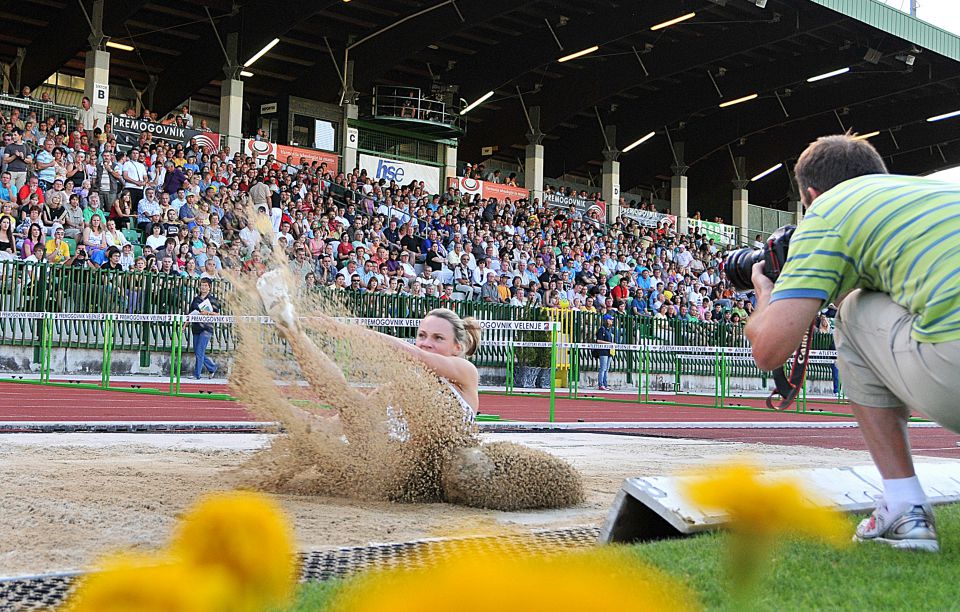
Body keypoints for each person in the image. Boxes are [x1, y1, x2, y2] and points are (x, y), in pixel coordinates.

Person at [745, 133, 960, 553]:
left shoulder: (828, 210)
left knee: (854, 309)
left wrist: (766, 293)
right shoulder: (935, 193)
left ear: (810, 195)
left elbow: (769, 349)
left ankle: (903, 506)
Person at [188, 277, 221, 380]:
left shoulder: (213, 300)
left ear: (209, 287)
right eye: (202, 285)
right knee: (198, 351)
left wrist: (208, 313)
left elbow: (217, 314)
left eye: (206, 285)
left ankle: (197, 374)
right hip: (196, 327)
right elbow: (191, 313)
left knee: (199, 351)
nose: (203, 287)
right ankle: (212, 367)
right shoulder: (196, 299)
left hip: (207, 328)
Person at [595, 314, 614, 391]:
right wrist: (609, 344)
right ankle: (601, 384)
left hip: (609, 351)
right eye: (610, 320)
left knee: (606, 369)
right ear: (607, 320)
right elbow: (598, 341)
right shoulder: (602, 329)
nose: (612, 321)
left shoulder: (609, 330)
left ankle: (605, 384)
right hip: (603, 352)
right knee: (603, 368)